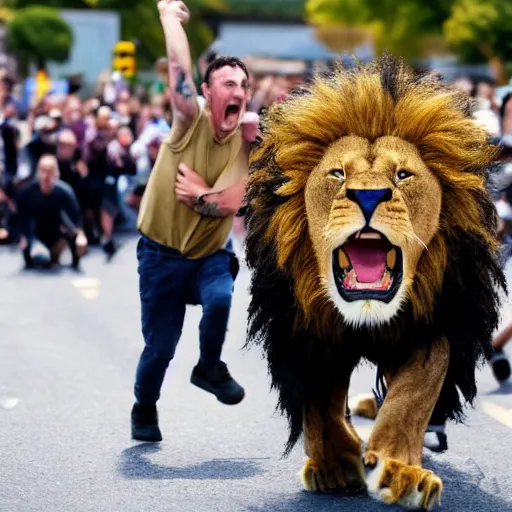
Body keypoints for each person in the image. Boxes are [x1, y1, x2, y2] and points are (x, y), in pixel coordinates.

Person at [131, 0, 259, 442]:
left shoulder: (247, 140)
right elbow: (179, 74)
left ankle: (209, 367)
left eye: (244, 84)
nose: (239, 90)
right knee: (160, 348)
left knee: (221, 299)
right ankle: (144, 407)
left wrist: (202, 193)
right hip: (161, 255)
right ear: (208, 92)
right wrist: (169, 19)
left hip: (209, 254)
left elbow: (231, 204)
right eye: (228, 82)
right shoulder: (189, 120)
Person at [16, 154, 88, 269]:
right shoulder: (26, 193)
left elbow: (75, 217)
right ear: (38, 172)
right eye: (43, 171)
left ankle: (73, 260)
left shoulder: (65, 192)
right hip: (36, 234)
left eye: (50, 171)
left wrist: (81, 236)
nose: (46, 176)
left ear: (56, 173)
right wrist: (23, 236)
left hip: (57, 232)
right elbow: (21, 219)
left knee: (76, 239)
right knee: (40, 258)